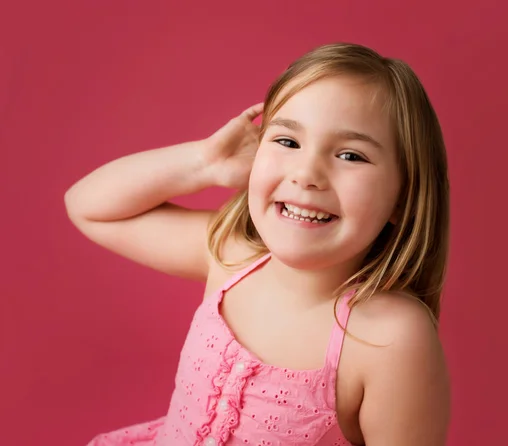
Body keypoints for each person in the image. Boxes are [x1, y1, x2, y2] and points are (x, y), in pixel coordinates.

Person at [65, 42, 451, 446]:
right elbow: (89, 207)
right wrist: (205, 162)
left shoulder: (390, 338)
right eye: (287, 142)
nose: (307, 173)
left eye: (351, 155)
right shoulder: (232, 257)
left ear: (403, 198)